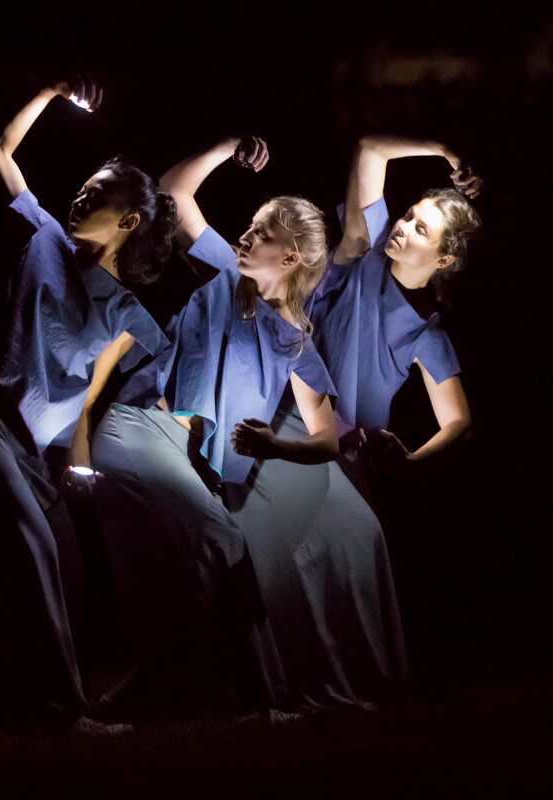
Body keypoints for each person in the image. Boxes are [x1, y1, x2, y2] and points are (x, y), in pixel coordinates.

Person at [0, 80, 175, 732]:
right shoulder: (44, 235)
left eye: (99, 193)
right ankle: (65, 710)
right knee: (34, 548)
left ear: (129, 222)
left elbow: (136, 387)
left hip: (32, 449)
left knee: (61, 567)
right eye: (84, 187)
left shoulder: (127, 313)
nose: (81, 195)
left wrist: (89, 456)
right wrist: (50, 91)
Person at [89, 136, 340, 716]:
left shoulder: (297, 344)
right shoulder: (229, 274)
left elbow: (326, 439)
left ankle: (156, 693)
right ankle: (261, 702)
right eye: (248, 227)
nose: (245, 237)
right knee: (222, 543)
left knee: (195, 574)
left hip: (180, 458)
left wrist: (276, 445)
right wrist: (230, 147)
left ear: (291, 259)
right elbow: (173, 192)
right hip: (137, 428)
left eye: (262, 233)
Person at [311, 135, 481, 494]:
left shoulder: (426, 332)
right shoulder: (369, 246)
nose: (403, 225)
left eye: (421, 229)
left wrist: (409, 461)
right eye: (408, 215)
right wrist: (444, 149)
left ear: (443, 259)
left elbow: (459, 423)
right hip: (290, 410)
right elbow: (370, 148)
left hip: (343, 462)